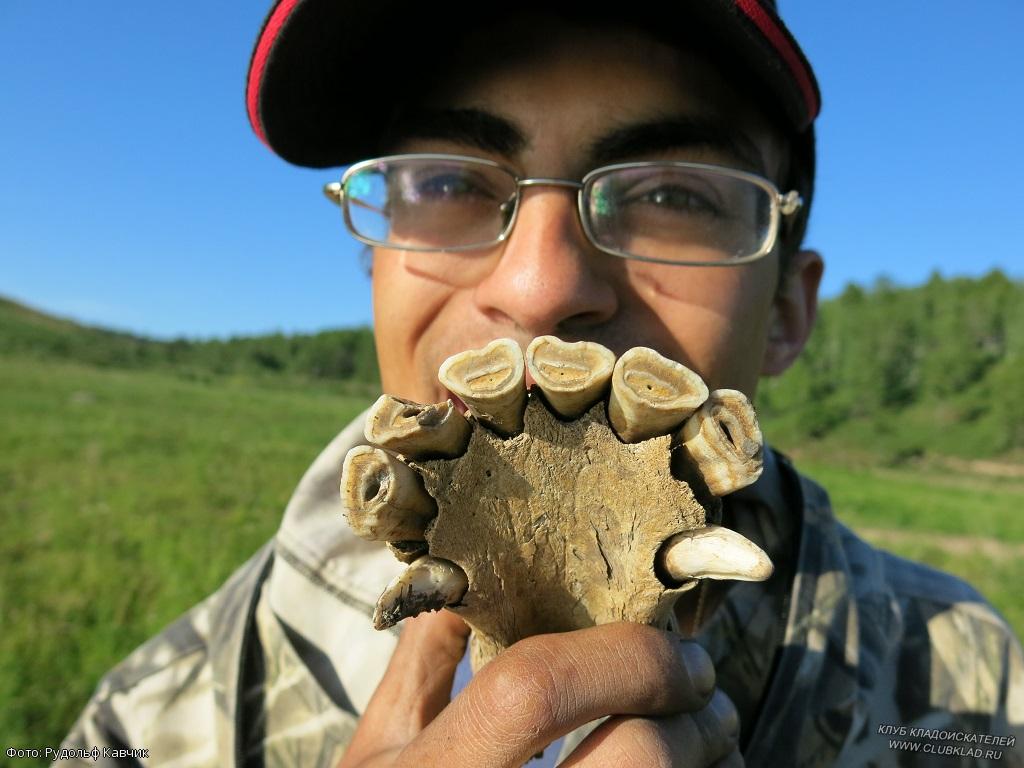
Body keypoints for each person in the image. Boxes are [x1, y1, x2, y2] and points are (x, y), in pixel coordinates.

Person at [60, 2, 1023, 766]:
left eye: (671, 195)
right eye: (448, 183)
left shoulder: (975, 701)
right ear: (375, 267)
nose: (538, 288)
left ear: (785, 313)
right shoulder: (149, 727)